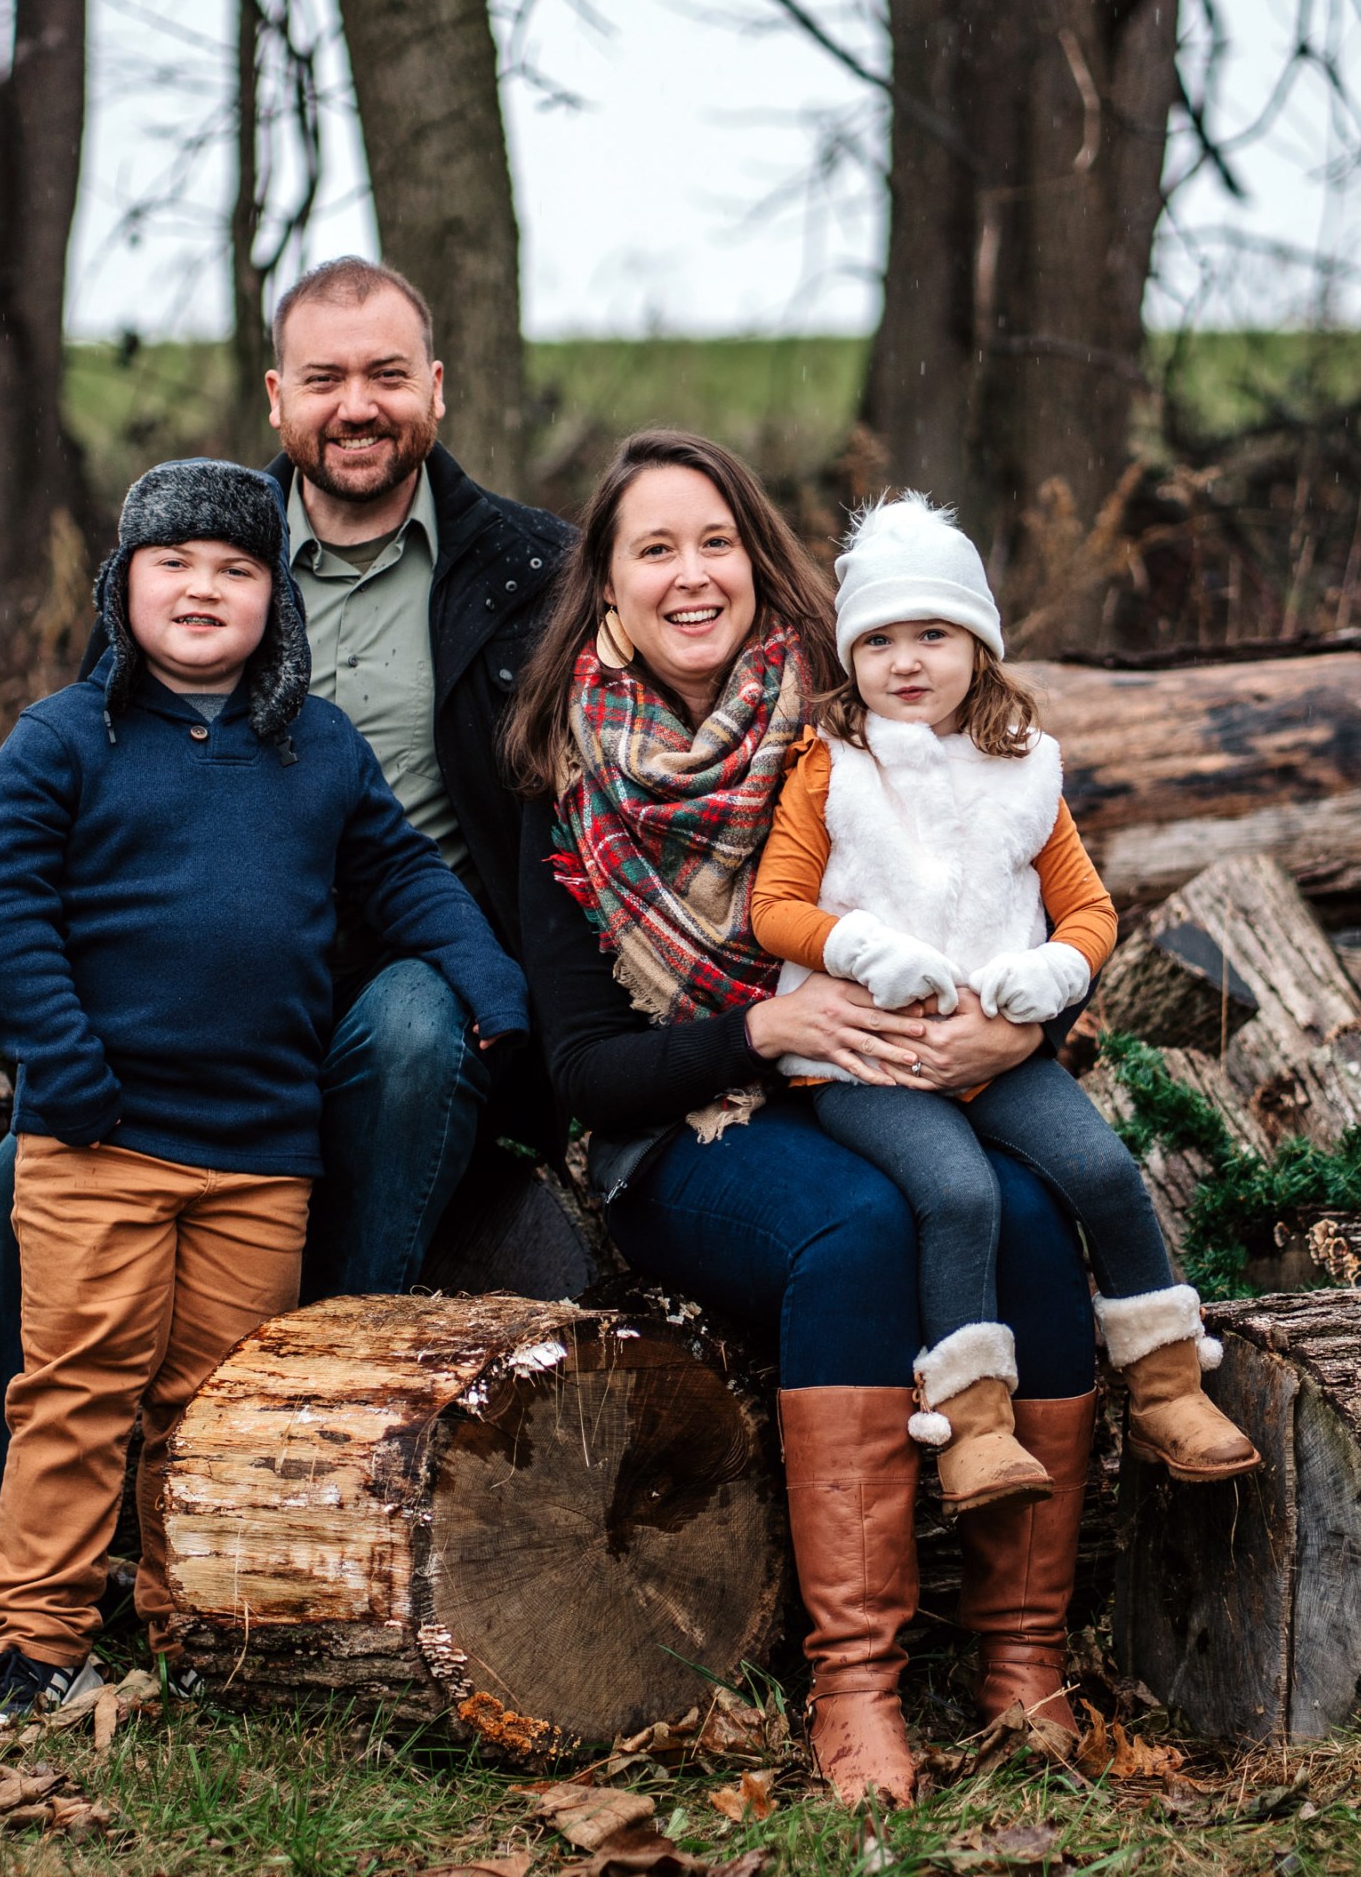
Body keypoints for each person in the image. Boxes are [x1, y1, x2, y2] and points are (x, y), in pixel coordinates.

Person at [506, 430, 1219, 1806]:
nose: (690, 573)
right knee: (854, 1230)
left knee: (1022, 1209)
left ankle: (1019, 1658)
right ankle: (858, 1686)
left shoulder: (861, 723)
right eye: (653, 548)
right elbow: (582, 1071)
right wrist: (761, 1026)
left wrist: (1026, 1024)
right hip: (694, 1122)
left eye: (714, 540)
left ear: (761, 567)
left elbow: (1007, 901)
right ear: (604, 589)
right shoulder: (566, 779)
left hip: (901, 1080)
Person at [0, 259, 570, 1661]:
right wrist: (63, 1054)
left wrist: (524, 998)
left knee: (418, 1029)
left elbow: (491, 839)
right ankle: (38, 1568)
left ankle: (293, 1470)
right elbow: (31, 868)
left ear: (434, 389)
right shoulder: (212, 544)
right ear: (278, 396)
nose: (356, 407)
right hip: (168, 1020)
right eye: (324, 379)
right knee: (16, 1194)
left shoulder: (534, 571)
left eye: (386, 374)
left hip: (394, 991)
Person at [0, 457, 527, 1726]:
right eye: (175, 565)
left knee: (212, 1404)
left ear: (279, 595)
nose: (204, 588)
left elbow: (407, 878)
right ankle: (38, 1640)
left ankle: (193, 1621)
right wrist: (67, 1066)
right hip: (104, 1133)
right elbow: (9, 914)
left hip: (262, 1151)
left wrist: (491, 981)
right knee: (82, 1381)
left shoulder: (314, 748)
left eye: (238, 568)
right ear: (124, 587)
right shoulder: (64, 741)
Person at [748, 493, 1259, 1515]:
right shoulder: (831, 766)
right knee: (957, 1191)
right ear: (851, 655)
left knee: (1105, 1171)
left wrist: (1054, 975)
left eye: (933, 633)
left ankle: (1166, 1385)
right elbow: (776, 908)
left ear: (977, 644)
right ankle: (974, 1424)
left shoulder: (1025, 766)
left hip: (1002, 1047)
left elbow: (1089, 908)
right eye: (881, 639)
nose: (907, 660)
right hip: (868, 1058)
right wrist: (862, 949)